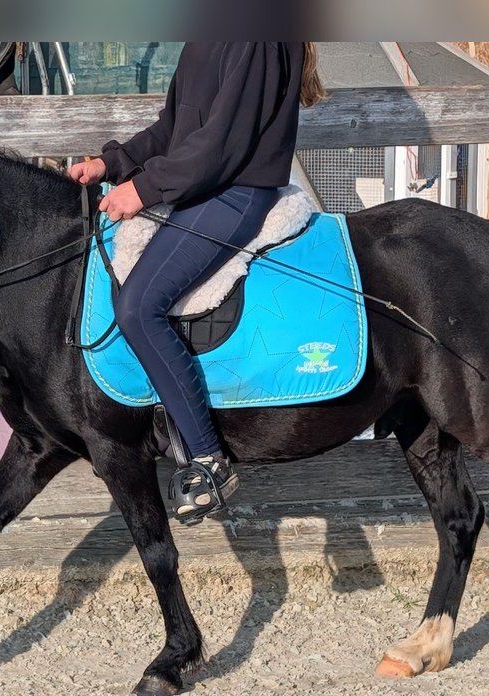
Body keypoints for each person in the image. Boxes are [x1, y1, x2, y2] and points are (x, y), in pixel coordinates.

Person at [70, 42, 326, 524]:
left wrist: (143, 189)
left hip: (234, 194)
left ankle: (209, 459)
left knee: (138, 307)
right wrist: (112, 164)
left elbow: (220, 145)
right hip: (201, 190)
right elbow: (174, 131)